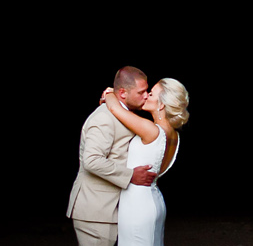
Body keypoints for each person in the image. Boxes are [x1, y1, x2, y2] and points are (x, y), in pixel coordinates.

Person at [67, 67, 160, 245]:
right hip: (96, 212)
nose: (146, 95)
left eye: (147, 91)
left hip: (110, 210)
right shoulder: (103, 118)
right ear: (123, 93)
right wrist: (131, 175)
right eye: (141, 92)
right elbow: (92, 160)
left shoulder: (122, 113)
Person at [99, 76, 188, 246]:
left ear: (161, 104)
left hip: (137, 204)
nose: (146, 96)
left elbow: (115, 110)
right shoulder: (174, 135)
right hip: (154, 199)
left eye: (152, 94)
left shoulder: (151, 130)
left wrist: (110, 93)